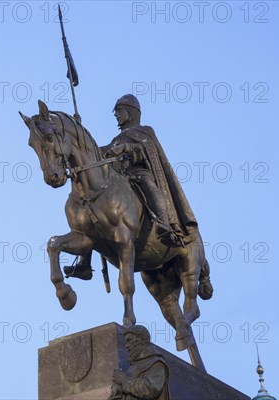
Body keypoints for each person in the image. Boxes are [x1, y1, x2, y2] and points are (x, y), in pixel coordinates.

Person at [64, 94, 198, 279]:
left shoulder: (144, 131)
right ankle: (83, 263)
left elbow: (148, 150)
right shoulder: (116, 138)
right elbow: (96, 154)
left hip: (140, 174)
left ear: (131, 112)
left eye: (119, 111)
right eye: (116, 112)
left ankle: (164, 224)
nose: (116, 115)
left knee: (150, 188)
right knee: (89, 203)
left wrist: (127, 149)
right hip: (120, 179)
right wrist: (80, 133)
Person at [108, 325, 170, 400]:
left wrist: (123, 380)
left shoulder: (156, 363)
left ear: (142, 340)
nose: (127, 346)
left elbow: (151, 390)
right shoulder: (132, 368)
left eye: (129, 340)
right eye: (125, 343)